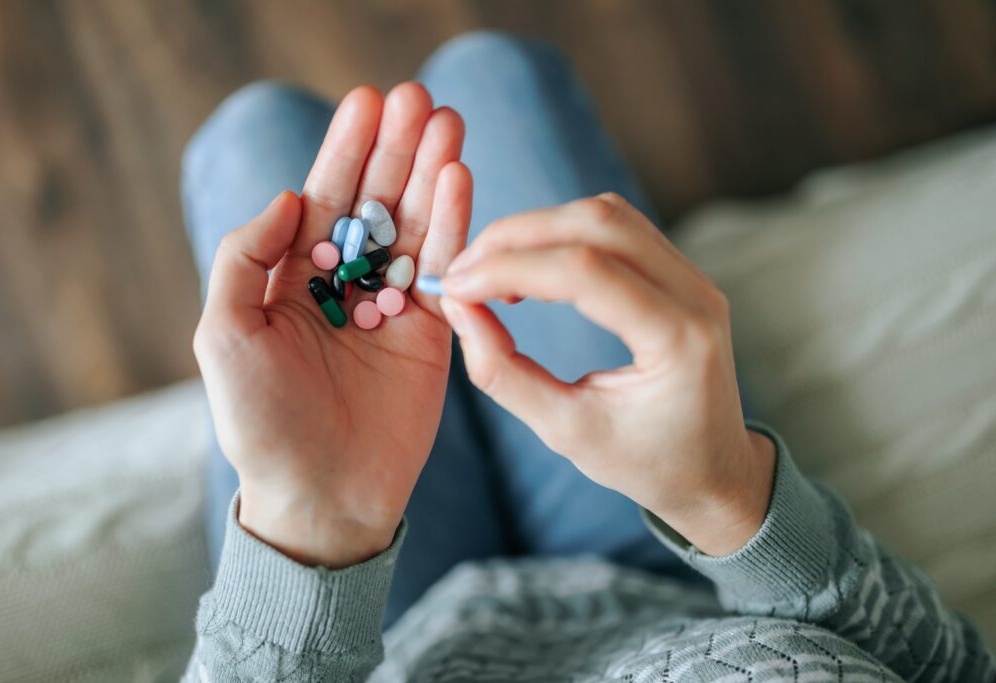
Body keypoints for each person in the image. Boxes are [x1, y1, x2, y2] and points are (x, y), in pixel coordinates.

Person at [179, 32, 995, 682]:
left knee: (254, 129)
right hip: (666, 567)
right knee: (491, 70)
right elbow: (949, 668)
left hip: (367, 628)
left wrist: (311, 525)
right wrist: (728, 494)